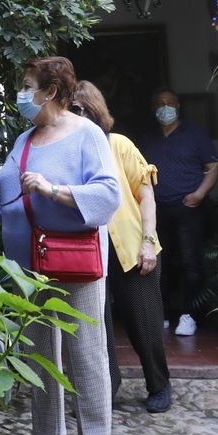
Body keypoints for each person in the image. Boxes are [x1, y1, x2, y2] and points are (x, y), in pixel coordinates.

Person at [0, 57, 122, 435]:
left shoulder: (87, 135)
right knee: (39, 358)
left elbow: (109, 195)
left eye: (27, 85)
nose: (21, 93)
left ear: (50, 91)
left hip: (75, 264)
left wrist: (54, 190)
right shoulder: (25, 138)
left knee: (87, 359)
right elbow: (6, 200)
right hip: (27, 266)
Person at [71, 81, 173, 414]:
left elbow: (146, 196)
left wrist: (148, 242)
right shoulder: (69, 151)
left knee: (143, 321)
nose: (75, 117)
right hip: (88, 250)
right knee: (96, 326)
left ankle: (159, 384)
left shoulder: (118, 145)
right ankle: (107, 387)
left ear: (94, 111)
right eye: (71, 111)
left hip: (131, 247)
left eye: (80, 110)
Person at [139, 89, 218, 337]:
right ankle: (162, 312)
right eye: (160, 103)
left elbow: (213, 167)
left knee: (190, 261)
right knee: (159, 262)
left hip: (188, 209)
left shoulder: (195, 135)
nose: (165, 108)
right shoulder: (148, 138)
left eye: (170, 103)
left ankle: (189, 315)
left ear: (178, 106)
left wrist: (200, 194)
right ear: (153, 108)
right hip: (157, 210)